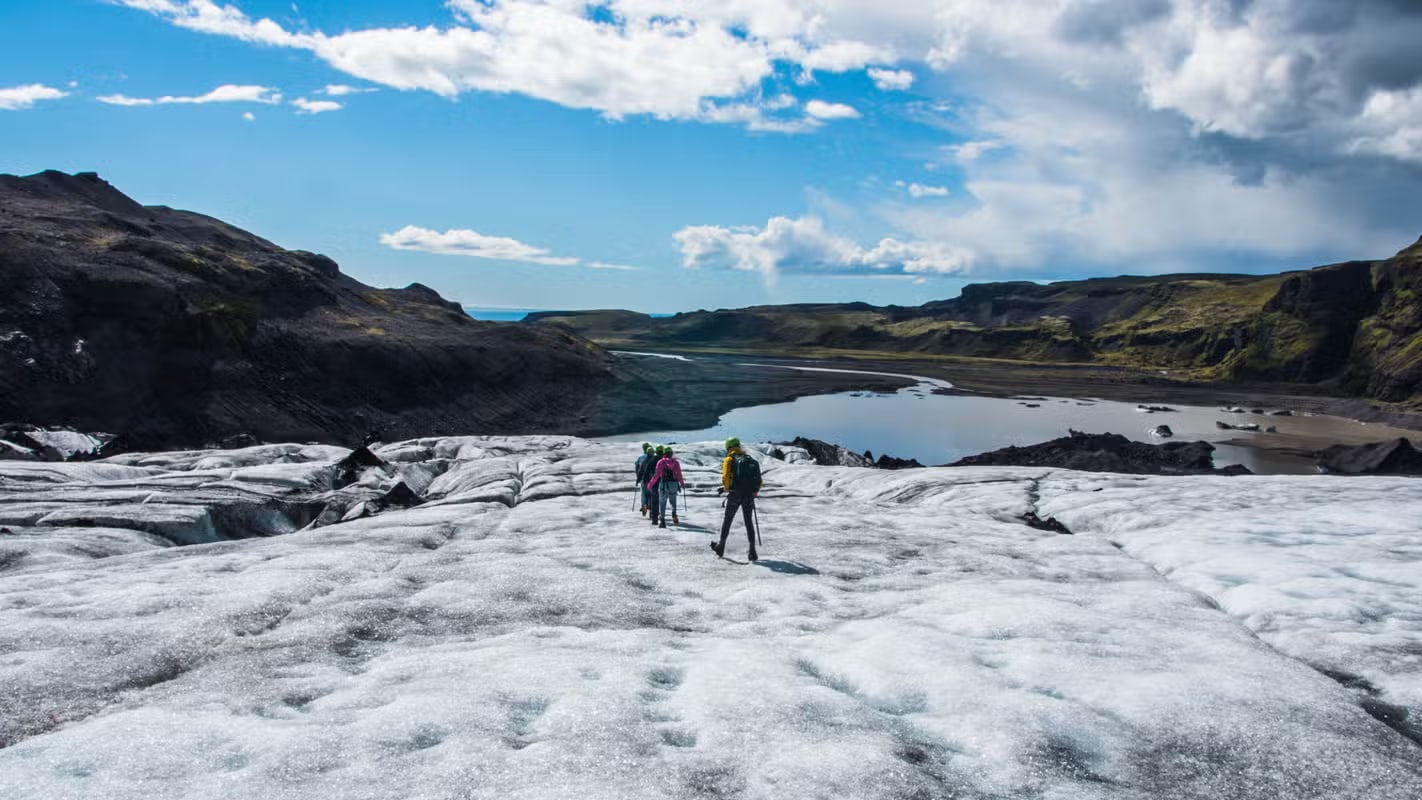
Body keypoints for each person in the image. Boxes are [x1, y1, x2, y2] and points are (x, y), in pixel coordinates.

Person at [713, 437, 762, 561]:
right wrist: (755, 491)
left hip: (735, 494)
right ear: (739, 446)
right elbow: (759, 480)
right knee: (748, 522)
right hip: (749, 495)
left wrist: (726, 488)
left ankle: (721, 546)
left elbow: (725, 477)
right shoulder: (750, 460)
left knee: (728, 520)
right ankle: (752, 551)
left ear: (728, 447)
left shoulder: (729, 459)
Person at [648, 446, 685, 528]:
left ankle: (662, 520)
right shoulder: (676, 463)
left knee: (662, 503)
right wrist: (682, 484)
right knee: (673, 501)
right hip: (673, 485)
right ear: (671, 454)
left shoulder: (661, 462)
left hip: (663, 485)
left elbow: (656, 475)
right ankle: (674, 513)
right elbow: (679, 474)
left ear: (664, 454)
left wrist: (650, 484)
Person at [634, 443, 654, 516]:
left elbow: (637, 468)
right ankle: (651, 509)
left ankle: (644, 506)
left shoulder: (641, 458)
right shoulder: (654, 458)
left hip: (643, 479)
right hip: (653, 480)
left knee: (643, 494)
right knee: (652, 495)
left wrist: (638, 479)